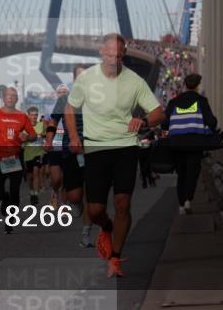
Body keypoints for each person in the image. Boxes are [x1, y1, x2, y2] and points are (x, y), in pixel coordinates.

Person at [65, 33, 163, 278]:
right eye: (109, 54)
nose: (113, 59)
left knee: (123, 203)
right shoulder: (86, 78)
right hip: (96, 147)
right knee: (96, 210)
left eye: (118, 55)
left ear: (124, 54)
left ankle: (115, 257)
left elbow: (158, 112)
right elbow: (70, 108)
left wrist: (143, 120)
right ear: (101, 52)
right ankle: (106, 228)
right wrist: (75, 137)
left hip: (126, 147)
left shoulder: (134, 81)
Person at [45, 72, 94, 248]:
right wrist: (49, 139)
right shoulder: (64, 100)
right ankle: (76, 202)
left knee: (92, 194)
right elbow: (53, 121)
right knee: (75, 195)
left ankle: (86, 233)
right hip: (70, 150)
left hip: (93, 149)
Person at [0, 86, 36, 234]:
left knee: (15, 190)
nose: (10, 97)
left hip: (15, 157)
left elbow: (34, 135)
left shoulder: (22, 116)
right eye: (8, 95)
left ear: (17, 99)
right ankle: (4, 199)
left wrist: (27, 136)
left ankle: (10, 219)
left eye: (13, 95)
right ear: (3, 98)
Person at [163, 74, 218, 214]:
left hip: (177, 144)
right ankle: (188, 199)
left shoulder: (174, 102)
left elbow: (164, 124)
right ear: (198, 86)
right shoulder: (201, 101)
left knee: (181, 174)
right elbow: (211, 122)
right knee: (192, 173)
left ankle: (181, 205)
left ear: (185, 85)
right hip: (195, 143)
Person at [23, 106, 46, 205]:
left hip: (39, 153)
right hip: (28, 155)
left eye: (36, 115)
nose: (34, 117)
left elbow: (46, 136)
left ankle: (36, 194)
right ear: (28, 116)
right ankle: (32, 192)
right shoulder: (24, 128)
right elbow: (22, 141)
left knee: (36, 172)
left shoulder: (41, 125)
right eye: (32, 115)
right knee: (30, 176)